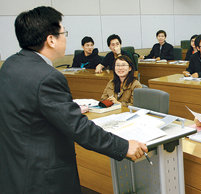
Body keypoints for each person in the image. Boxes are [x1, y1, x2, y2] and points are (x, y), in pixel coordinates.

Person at [0, 6, 147, 193]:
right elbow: (79, 129)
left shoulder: (10, 65)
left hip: (14, 168)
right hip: (42, 177)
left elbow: (28, 108)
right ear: (51, 39)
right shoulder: (48, 77)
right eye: (64, 32)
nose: (65, 37)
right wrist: (124, 146)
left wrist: (64, 111)